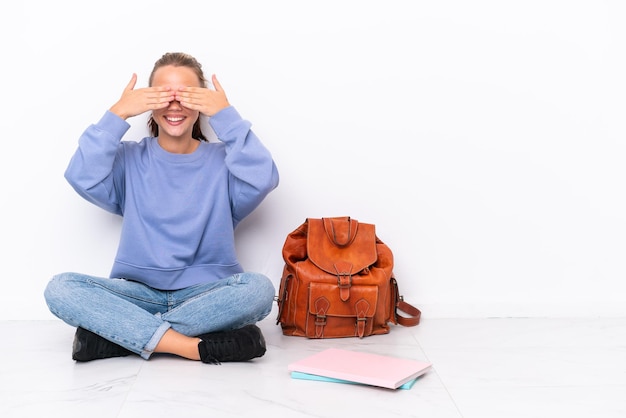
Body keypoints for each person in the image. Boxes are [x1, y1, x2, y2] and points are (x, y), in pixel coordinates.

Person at [44, 52, 279, 364]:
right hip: (138, 296)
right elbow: (80, 175)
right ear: (148, 104)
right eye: (163, 95)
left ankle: (119, 337)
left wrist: (226, 116)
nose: (175, 105)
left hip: (206, 296)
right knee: (60, 288)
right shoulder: (128, 160)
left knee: (259, 290)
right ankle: (191, 347)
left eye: (187, 95)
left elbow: (264, 178)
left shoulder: (225, 162)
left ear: (202, 104)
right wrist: (118, 113)